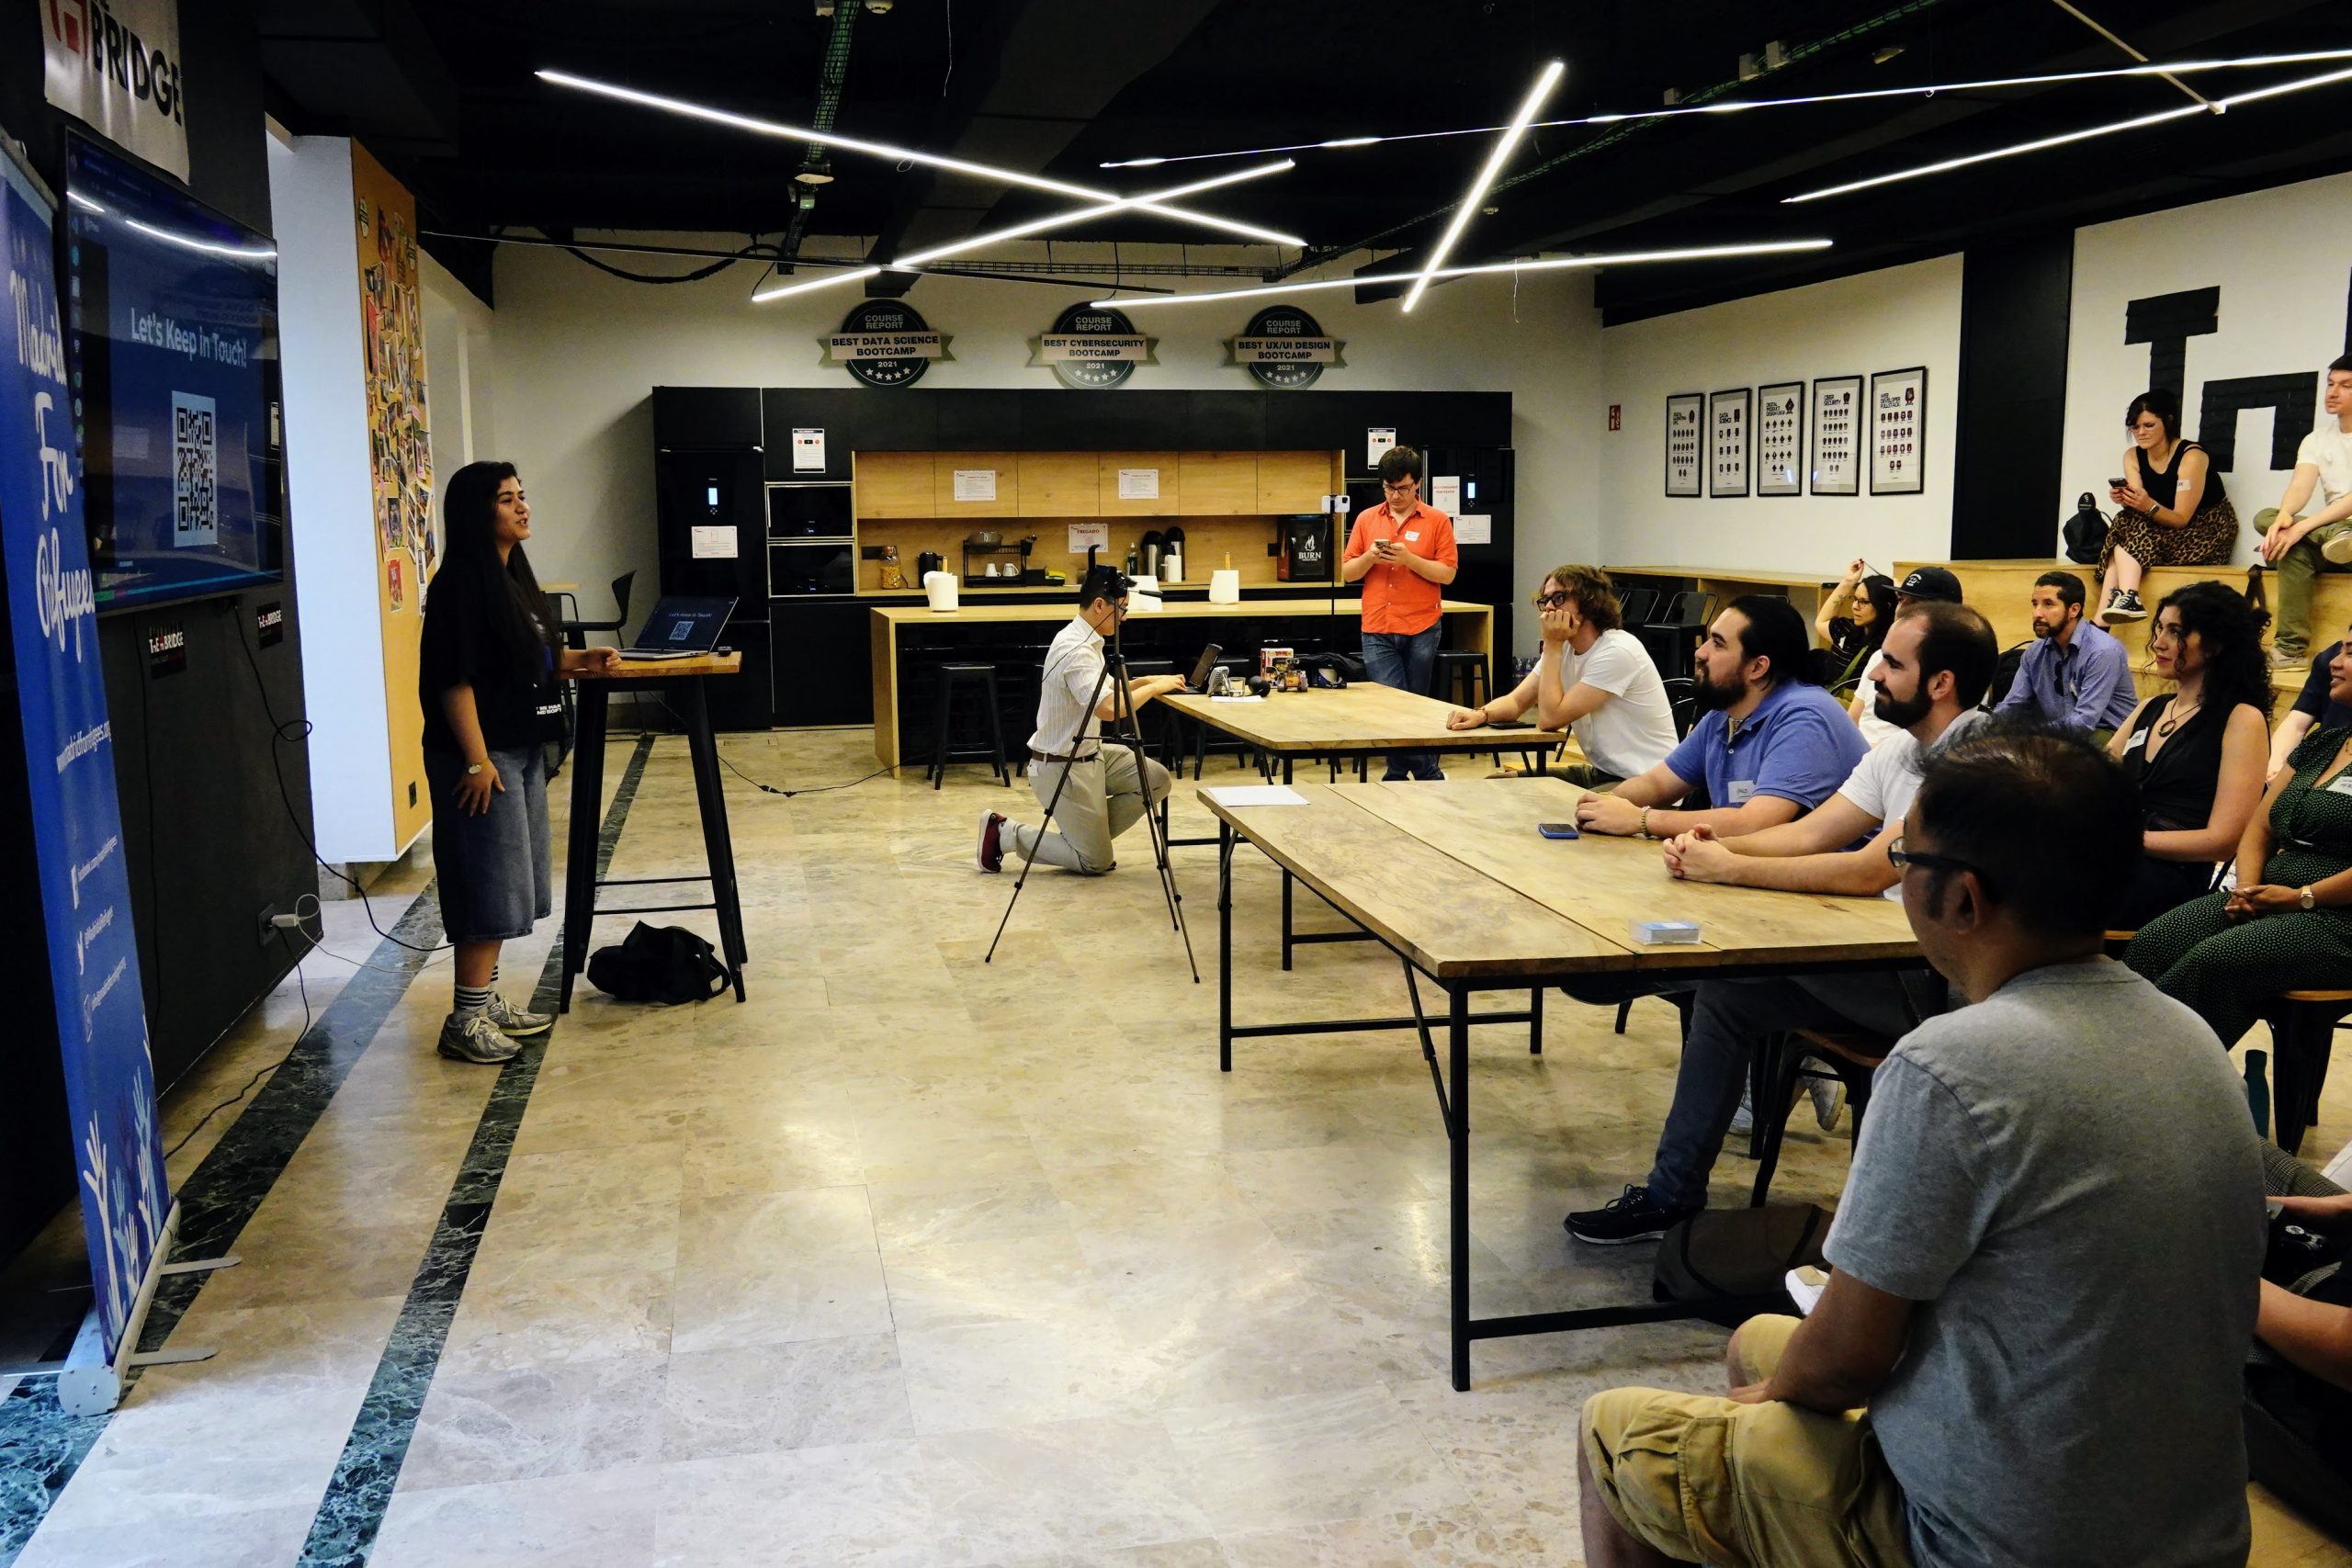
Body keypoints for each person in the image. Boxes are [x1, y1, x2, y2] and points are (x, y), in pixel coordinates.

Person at [1580, 728, 2267, 1568]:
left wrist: (1773, 1403)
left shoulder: (1949, 1065)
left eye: (1903, 856)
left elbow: (1847, 1361)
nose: (1897, 875)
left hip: (1995, 1544)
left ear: (1964, 899)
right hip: (2190, 1533)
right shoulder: (2189, 1035)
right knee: (1757, 1339)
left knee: (1615, 1432)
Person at [1565, 603, 1998, 1245]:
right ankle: (1671, 1198)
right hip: (1882, 957)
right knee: (1728, 993)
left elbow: (1867, 870)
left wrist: (1729, 866)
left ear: (1941, 683)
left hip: (1950, 986)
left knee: (1735, 966)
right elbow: (1811, 833)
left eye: (1892, 663)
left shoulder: (1976, 761)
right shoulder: (1903, 751)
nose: (1874, 673)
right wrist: (1712, 849)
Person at [420, 462, 621, 1066]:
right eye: (507, 499)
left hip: (521, 746)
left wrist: (581, 659)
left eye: (521, 496)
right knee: (487, 883)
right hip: (483, 755)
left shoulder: (511, 576)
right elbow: (454, 681)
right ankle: (465, 1019)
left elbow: (529, 658)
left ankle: (484, 1001)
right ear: (478, 511)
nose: (522, 507)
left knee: (512, 883)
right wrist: (476, 761)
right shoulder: (460, 583)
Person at [2127, 625, 2352, 1048]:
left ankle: (2159, 1075)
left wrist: (2302, 897)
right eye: (2338, 651)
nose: (2334, 664)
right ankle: (2123, 1065)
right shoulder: (2325, 743)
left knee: (2215, 962)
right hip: (2272, 897)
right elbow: (2259, 826)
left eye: (2350, 654)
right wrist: (2248, 888)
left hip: (2339, 918)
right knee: (2153, 942)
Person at [1572, 595, 1868, 841]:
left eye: (1718, 643)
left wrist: (1642, 819)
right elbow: (1658, 784)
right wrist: (1603, 806)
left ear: (1757, 667)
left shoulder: (1804, 718)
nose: (1700, 653)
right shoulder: (1725, 714)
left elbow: (1756, 824)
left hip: (1832, 888)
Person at [978, 567, 1181, 876]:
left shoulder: (1088, 638)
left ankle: (1087, 838)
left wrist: (1148, 680)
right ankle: (1005, 832)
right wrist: (1154, 690)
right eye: (1122, 609)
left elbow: (1109, 688)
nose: (1125, 618)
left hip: (1090, 754)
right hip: (1062, 765)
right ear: (1099, 605)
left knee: (1156, 779)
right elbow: (1108, 709)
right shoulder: (1076, 650)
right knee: (1094, 861)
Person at [2105, 581, 2272, 929]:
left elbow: (2222, 841)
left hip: (2168, 875)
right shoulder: (2151, 707)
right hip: (2116, 852)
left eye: (2176, 631)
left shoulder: (2242, 719)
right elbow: (2092, 776)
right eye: (2160, 628)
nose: (2158, 642)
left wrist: (2124, 839)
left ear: (2214, 644)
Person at [1445, 564, 1676, 788]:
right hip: (1602, 772)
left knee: (1569, 806)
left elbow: (1549, 719)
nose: (1548, 608)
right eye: (1545, 600)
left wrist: (1552, 645)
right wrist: (1481, 714)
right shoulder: (1564, 648)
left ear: (1589, 602)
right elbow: (1516, 701)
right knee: (1496, 785)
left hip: (1645, 781)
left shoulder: (1617, 651)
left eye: (1558, 598)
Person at [1341, 443, 1460, 780]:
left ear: (1417, 483)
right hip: (1377, 625)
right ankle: (1427, 772)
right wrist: (1370, 557)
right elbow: (1348, 573)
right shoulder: (1367, 519)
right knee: (1390, 703)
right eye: (1389, 488)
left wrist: (1409, 559)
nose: (1395, 495)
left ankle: (1396, 772)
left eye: (1403, 488)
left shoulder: (1437, 520)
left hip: (1422, 624)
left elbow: (1447, 574)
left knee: (1415, 703)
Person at [2094, 388, 2235, 626]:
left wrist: (2147, 505)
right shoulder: (2133, 456)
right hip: (2158, 528)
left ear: (2168, 422)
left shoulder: (2192, 455)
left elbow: (2181, 518)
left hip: (2203, 531)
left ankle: (2106, 617)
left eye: (2149, 425)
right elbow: (2139, 507)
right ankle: (2123, 601)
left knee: (2125, 528)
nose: (2141, 433)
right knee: (2125, 519)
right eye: (2135, 427)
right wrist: (2127, 499)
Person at [2257, 355, 2352, 669]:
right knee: (2269, 522)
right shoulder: (2317, 439)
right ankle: (2291, 651)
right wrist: (2285, 517)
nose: (2333, 392)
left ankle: (2338, 534)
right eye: (2331, 384)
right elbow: (2300, 485)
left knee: (2295, 537)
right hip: (2335, 543)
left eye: (2346, 386)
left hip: (2343, 530)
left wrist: (2301, 527)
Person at [1990, 569, 2136, 741]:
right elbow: (2013, 705)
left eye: (2048, 604)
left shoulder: (2103, 651)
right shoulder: (2034, 653)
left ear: (2073, 610)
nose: (2037, 613)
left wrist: (2031, 736)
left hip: (2111, 734)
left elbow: (2084, 722)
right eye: (2035, 604)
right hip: (2061, 733)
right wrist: (1984, 727)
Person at [1846, 565, 1964, 748]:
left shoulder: (1957, 670)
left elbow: (1932, 744)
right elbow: (1852, 720)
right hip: (1859, 753)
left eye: (1915, 604)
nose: (1901, 610)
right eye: (1901, 600)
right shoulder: (1879, 656)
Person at [2271, 637, 2352, 781]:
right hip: (2320, 773)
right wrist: (2273, 769)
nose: (2334, 663)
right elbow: (2297, 724)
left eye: (2350, 653)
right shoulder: (2331, 657)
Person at [1814, 558, 1899, 689]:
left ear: (1885, 606)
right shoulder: (1848, 629)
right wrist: (1847, 582)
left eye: (1864, 602)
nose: (1855, 606)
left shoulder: (1889, 643)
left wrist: (1902, 598)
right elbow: (1821, 622)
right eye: (1855, 599)